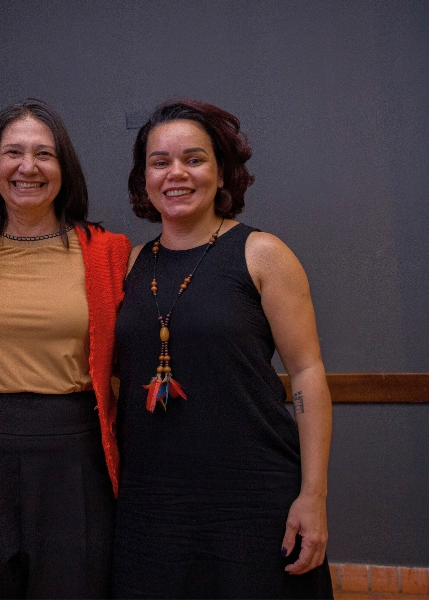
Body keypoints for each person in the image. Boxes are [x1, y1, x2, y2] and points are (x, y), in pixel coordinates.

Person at [111, 99, 334, 599]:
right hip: (152, 503)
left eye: (194, 159)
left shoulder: (263, 255)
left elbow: (307, 372)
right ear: (143, 177)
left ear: (221, 171)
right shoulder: (127, 265)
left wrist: (313, 495)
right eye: (160, 161)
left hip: (251, 499)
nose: (177, 174)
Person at [0, 99, 131, 598]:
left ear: (64, 167)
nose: (28, 167)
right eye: (13, 152)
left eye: (44, 154)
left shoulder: (108, 252)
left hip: (74, 455)